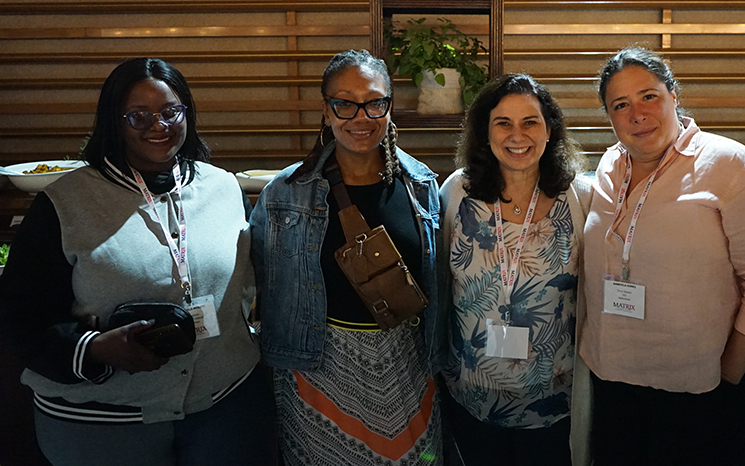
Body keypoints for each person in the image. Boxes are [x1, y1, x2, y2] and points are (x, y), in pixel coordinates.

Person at [0, 58, 276, 466]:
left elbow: (249, 283)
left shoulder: (223, 187)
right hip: (103, 424)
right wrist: (92, 349)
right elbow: (18, 314)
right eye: (138, 115)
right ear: (114, 120)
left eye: (170, 112)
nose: (158, 125)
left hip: (225, 408)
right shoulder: (64, 203)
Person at [579, 47, 745, 465]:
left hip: (695, 392)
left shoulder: (732, 166)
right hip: (611, 383)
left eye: (648, 96)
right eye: (620, 104)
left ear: (673, 95)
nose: (636, 113)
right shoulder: (609, 166)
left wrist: (727, 375)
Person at [250, 49, 444, 466]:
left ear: (389, 106)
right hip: (316, 366)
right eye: (345, 103)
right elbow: (261, 285)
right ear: (326, 110)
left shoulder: (422, 186)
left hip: (406, 365)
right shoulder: (285, 194)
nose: (361, 116)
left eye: (375, 102)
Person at [439, 73, 592, 466]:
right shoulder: (458, 192)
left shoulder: (580, 197)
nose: (516, 135)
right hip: (470, 393)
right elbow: (439, 280)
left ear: (549, 130)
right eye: (503, 123)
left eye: (530, 122)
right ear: (485, 132)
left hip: (552, 398)